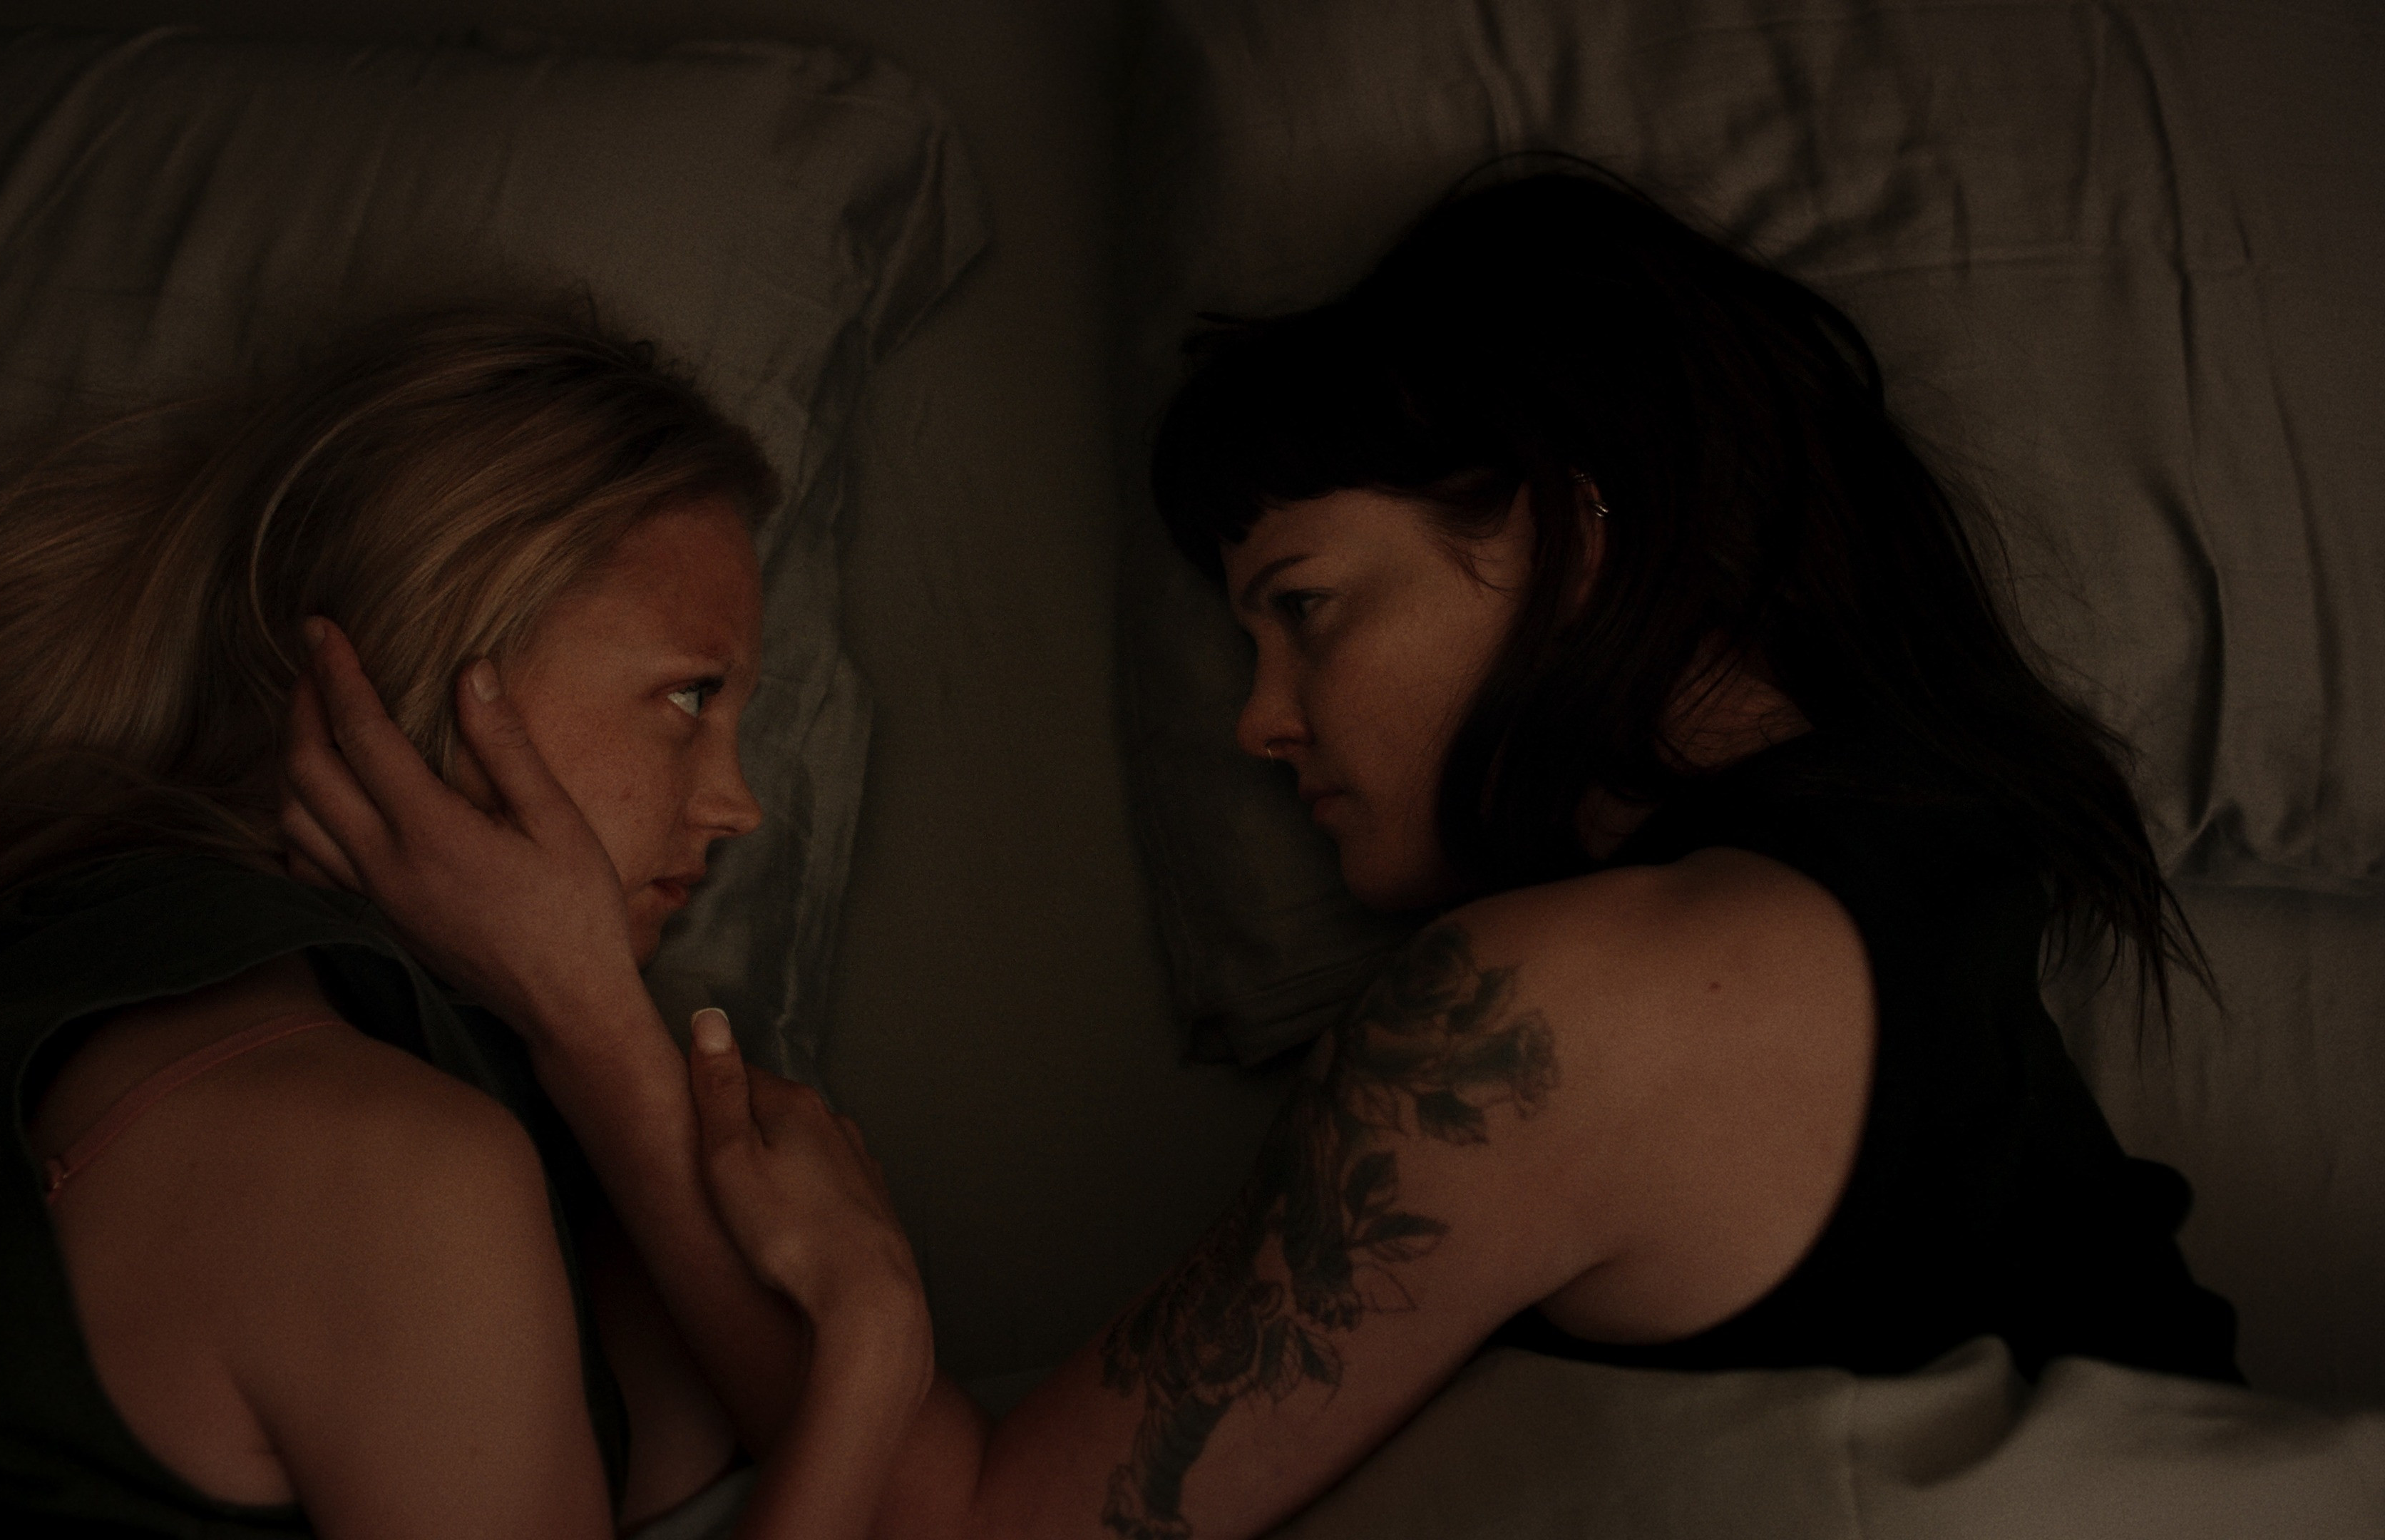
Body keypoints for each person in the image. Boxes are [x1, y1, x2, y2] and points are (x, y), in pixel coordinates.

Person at [278, 170, 2240, 1540]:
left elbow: (977, 1535)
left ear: (1576, 538)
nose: (1258, 722)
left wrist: (588, 1016)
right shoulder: (1901, 872)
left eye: (1306, 609)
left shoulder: (1582, 1007)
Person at [0, 312, 932, 1536]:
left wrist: (586, 1014)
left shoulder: (63, 954)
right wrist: (868, 1355)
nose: (738, 804)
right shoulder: (395, 1173)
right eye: (691, 697)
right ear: (450, 658)